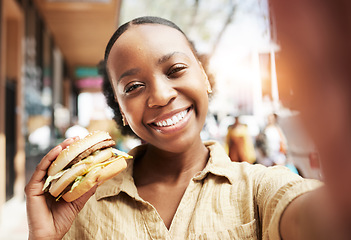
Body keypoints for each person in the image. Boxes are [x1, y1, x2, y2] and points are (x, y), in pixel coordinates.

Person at [25, 15, 346, 239]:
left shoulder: (259, 189)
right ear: (120, 111)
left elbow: (317, 220)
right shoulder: (78, 207)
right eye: (133, 87)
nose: (161, 95)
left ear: (205, 77)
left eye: (175, 69)